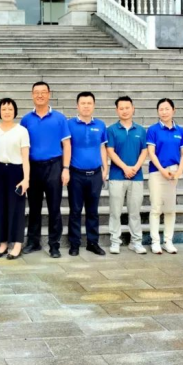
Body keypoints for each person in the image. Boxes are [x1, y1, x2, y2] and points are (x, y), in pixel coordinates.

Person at [20, 81, 72, 259]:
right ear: (32, 95)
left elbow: (67, 144)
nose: (40, 95)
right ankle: (33, 242)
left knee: (54, 207)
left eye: (43, 92)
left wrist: (66, 168)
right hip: (33, 167)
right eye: (36, 92)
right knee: (34, 207)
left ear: (49, 94)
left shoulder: (59, 118)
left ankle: (54, 245)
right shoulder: (26, 120)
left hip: (54, 166)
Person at [0, 98, 30, 260]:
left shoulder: (22, 131)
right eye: (4, 109)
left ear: (15, 111)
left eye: (10, 109)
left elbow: (25, 157)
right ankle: (3, 243)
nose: (7, 112)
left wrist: (26, 179)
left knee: (16, 208)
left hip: (16, 172)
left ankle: (17, 244)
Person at [66, 92, 109, 257]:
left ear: (94, 105)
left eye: (89, 103)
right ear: (77, 106)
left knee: (93, 211)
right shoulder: (69, 124)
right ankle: (74, 244)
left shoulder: (100, 125)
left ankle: (93, 243)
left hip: (95, 174)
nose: (86, 106)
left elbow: (102, 148)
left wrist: (105, 168)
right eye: (83, 103)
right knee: (75, 210)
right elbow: (66, 147)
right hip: (76, 174)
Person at [147, 98, 183, 255]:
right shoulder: (153, 130)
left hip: (173, 172)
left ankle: (168, 241)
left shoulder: (181, 131)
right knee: (156, 208)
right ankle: (155, 242)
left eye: (167, 109)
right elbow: (151, 152)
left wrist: (179, 171)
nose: (164, 112)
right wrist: (162, 170)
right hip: (157, 171)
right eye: (161, 109)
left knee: (170, 209)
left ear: (173, 110)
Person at [107, 96, 148, 255]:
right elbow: (110, 151)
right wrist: (125, 167)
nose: (124, 111)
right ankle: (115, 241)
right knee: (115, 211)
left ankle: (136, 242)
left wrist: (135, 168)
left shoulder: (141, 130)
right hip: (117, 176)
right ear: (117, 110)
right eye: (121, 108)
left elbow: (144, 151)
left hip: (136, 177)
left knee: (135, 212)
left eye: (127, 107)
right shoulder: (111, 130)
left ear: (133, 108)